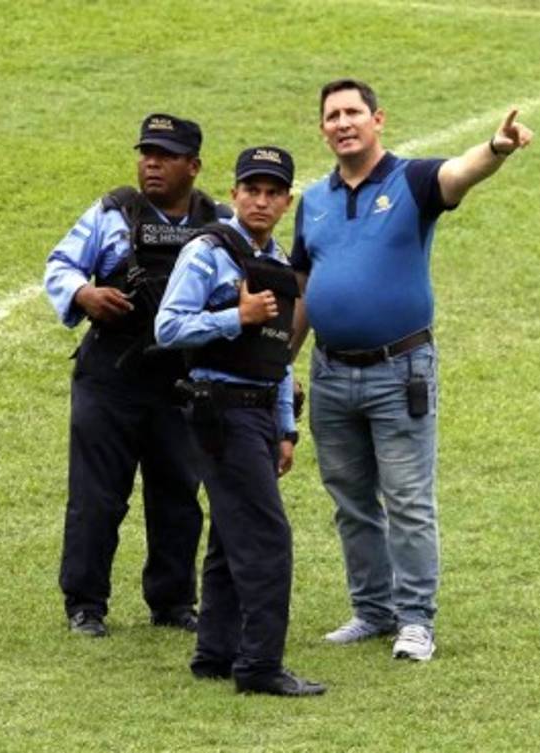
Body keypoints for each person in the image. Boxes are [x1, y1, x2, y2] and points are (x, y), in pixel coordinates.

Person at [289, 79, 534, 661]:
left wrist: (496, 148)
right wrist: (280, 364)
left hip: (399, 372)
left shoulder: (413, 180)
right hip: (330, 372)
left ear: (379, 120)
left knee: (407, 500)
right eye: (333, 116)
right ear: (322, 129)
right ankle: (371, 610)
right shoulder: (314, 201)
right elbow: (301, 286)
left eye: (353, 113)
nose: (343, 123)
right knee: (349, 498)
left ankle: (416, 618)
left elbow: (458, 174)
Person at [44, 113, 231, 638]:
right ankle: (85, 603)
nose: (152, 163)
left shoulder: (218, 224)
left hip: (179, 383)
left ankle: (172, 602)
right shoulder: (112, 212)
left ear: (193, 166)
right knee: (97, 495)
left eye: (166, 155)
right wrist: (84, 294)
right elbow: (60, 264)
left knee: (178, 493)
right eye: (146, 153)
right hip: (110, 380)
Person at [155, 146, 326, 696]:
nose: (261, 200)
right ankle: (259, 667)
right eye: (251, 190)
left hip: (257, 415)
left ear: (286, 202)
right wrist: (237, 316)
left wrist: (286, 428)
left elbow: (276, 359)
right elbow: (168, 328)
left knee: (232, 539)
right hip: (221, 412)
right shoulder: (206, 251)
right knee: (268, 539)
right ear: (233, 195)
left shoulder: (275, 262)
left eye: (273, 192)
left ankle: (216, 654)